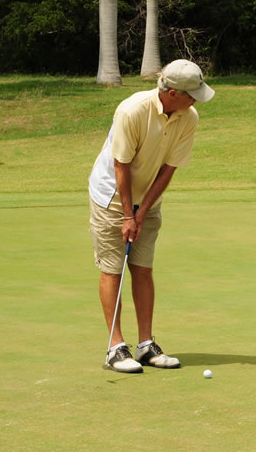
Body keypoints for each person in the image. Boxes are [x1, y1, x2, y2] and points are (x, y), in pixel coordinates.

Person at [88, 59, 215, 373]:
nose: (196, 100)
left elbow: (168, 168)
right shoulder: (132, 111)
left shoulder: (189, 116)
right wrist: (128, 215)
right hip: (112, 197)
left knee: (142, 268)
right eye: (191, 94)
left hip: (147, 199)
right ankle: (115, 348)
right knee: (113, 269)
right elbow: (121, 166)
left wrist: (142, 211)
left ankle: (146, 345)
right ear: (171, 93)